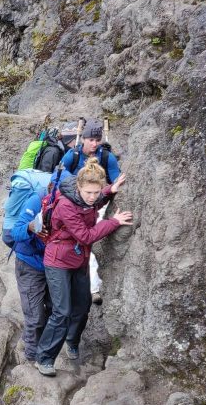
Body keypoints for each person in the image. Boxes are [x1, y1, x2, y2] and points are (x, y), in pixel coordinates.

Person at [36, 161, 132, 376]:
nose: (92, 196)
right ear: (78, 188)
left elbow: (92, 206)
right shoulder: (66, 205)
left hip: (78, 260)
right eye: (88, 192)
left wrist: (109, 191)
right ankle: (44, 358)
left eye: (96, 192)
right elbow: (85, 236)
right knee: (61, 311)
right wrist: (114, 222)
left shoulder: (89, 200)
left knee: (83, 305)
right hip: (57, 261)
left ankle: (72, 341)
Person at [57, 118, 122, 305]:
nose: (94, 143)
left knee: (90, 244)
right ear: (83, 139)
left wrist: (111, 187)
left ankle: (93, 287)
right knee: (82, 241)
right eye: (91, 139)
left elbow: (116, 177)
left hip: (97, 202)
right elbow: (58, 173)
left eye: (97, 140)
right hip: (74, 204)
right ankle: (86, 286)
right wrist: (78, 185)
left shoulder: (106, 156)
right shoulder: (73, 155)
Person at [9, 188, 50, 362]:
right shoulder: (36, 201)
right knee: (35, 315)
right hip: (30, 263)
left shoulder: (71, 203)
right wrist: (30, 226)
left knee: (55, 308)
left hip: (53, 264)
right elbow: (15, 232)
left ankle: (34, 342)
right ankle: (31, 357)